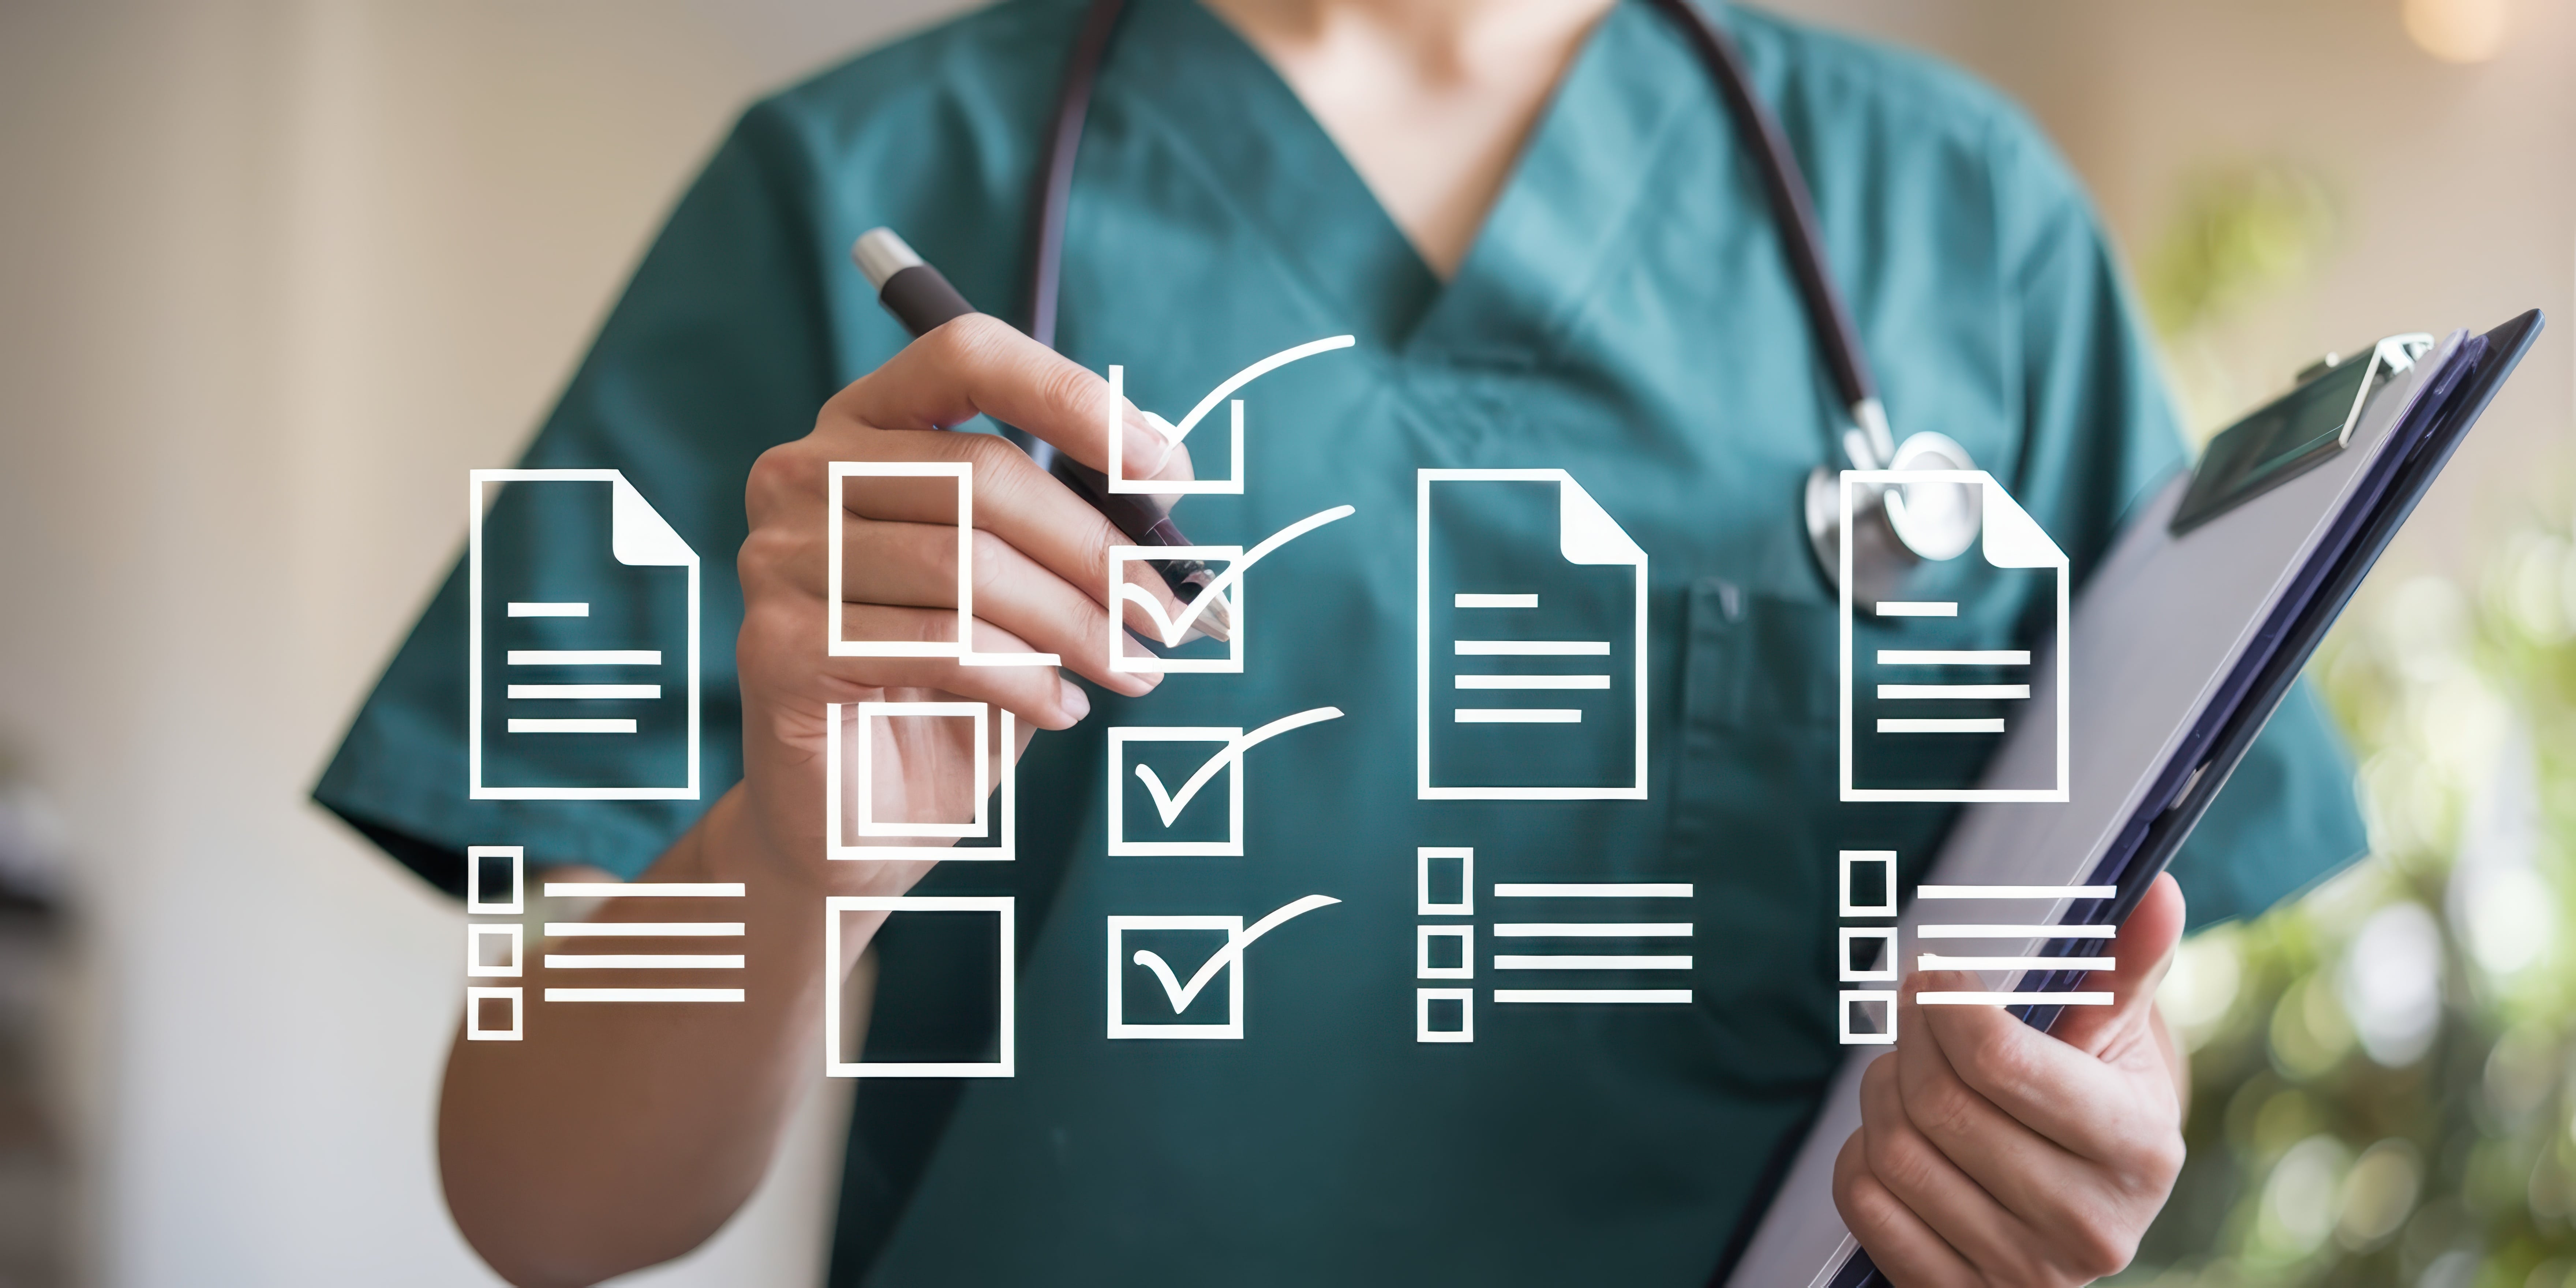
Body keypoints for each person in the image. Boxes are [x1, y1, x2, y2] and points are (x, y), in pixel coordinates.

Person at [314, 0, 2368, 1282]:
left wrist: (2092, 1125)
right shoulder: (851, 181)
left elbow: (2120, 948)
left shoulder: (1963, 229)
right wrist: (788, 851)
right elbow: (536, 1205)